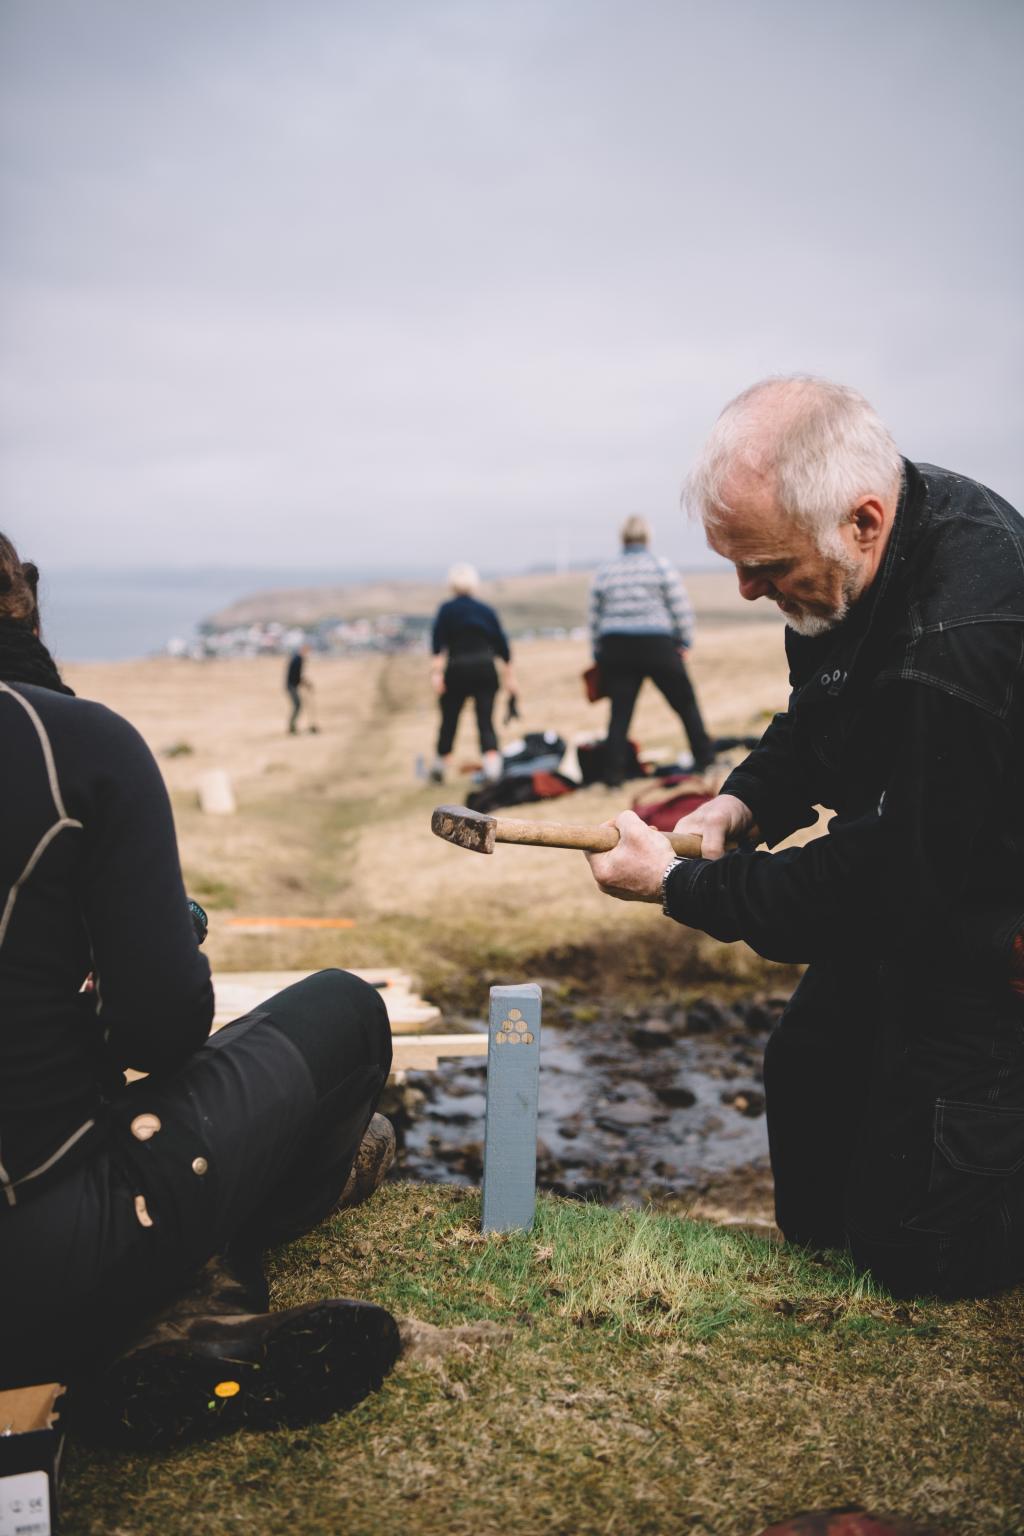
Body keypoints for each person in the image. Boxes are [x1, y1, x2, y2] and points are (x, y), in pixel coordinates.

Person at [585, 377, 1024, 1300]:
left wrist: (676, 885)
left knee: (916, 1249)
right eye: (736, 565)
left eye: (768, 567)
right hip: (921, 883)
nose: (748, 590)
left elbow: (884, 880)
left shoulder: (963, 636)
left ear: (862, 520)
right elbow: (820, 719)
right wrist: (738, 806)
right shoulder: (849, 565)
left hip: (993, 930)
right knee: (813, 1076)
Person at [0, 534, 400, 1446]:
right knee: (345, 1009)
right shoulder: (74, 744)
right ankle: (192, 1305)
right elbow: (165, 1029)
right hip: (43, 1251)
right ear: (21, 601)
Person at [588, 515, 714, 787]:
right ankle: (704, 759)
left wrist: (597, 651)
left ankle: (613, 776)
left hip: (616, 646)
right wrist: (685, 642)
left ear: (622, 537)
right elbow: (679, 606)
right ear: (648, 537)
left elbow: (594, 615)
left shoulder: (606, 570)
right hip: (657, 644)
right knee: (685, 703)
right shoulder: (660, 566)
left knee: (620, 712)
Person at [429, 563, 515, 783]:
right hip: (485, 669)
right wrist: (510, 679)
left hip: (457, 669)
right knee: (485, 720)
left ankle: (439, 767)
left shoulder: (446, 610)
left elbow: (438, 647)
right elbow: (503, 648)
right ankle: (493, 769)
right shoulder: (486, 611)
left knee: (449, 719)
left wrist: (437, 675)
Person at [285, 642, 311, 734]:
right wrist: (305, 683)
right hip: (291, 685)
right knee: (297, 705)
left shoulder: (296, 658)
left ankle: (292, 726)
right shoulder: (298, 659)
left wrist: (304, 683)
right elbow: (296, 676)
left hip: (291, 685)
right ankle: (291, 727)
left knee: (297, 705)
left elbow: (297, 675)